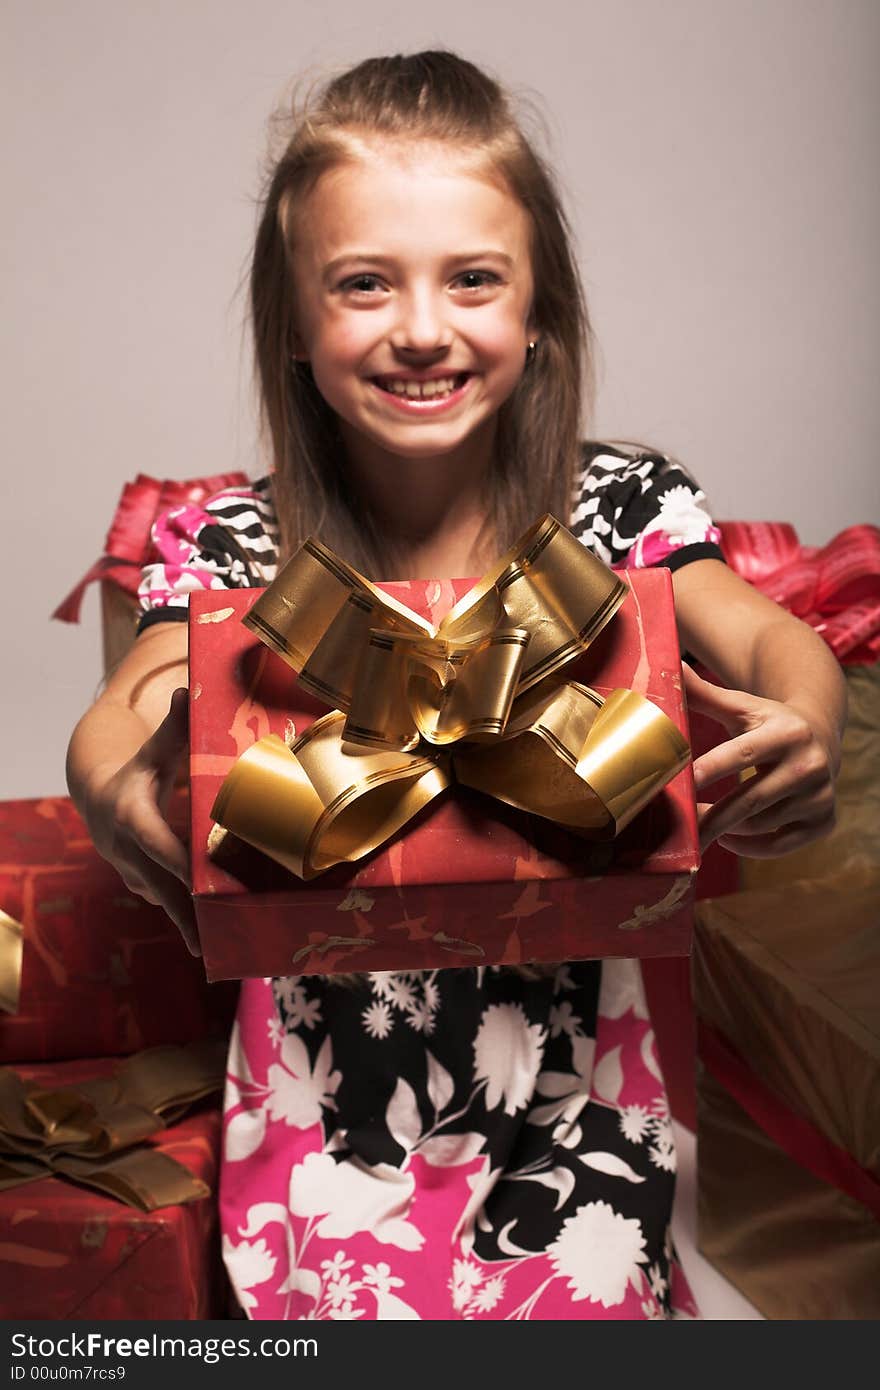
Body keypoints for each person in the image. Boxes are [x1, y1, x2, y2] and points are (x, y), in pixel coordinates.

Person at [66, 51, 845, 1320]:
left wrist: (804, 717)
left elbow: (766, 638)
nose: (421, 329)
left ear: (539, 310)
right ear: (295, 329)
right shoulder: (242, 545)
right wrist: (106, 786)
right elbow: (125, 705)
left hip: (575, 1100)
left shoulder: (612, 511)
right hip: (325, 1116)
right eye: (363, 284)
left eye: (472, 280)